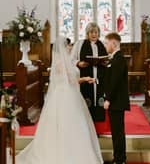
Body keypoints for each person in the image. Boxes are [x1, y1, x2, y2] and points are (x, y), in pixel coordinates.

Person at [15, 36, 103, 164]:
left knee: (75, 124)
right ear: (63, 47)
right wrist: (85, 79)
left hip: (71, 94)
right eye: (68, 45)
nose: (70, 47)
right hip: (64, 96)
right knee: (64, 124)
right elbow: (71, 80)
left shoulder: (67, 61)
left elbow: (71, 80)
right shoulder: (60, 64)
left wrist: (84, 78)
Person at [71, 22, 107, 122]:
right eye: (91, 32)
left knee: (98, 98)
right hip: (85, 77)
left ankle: (98, 122)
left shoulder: (102, 45)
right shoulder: (80, 44)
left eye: (96, 32)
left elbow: (107, 59)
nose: (94, 34)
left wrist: (104, 62)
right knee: (87, 98)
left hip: (99, 76)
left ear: (98, 33)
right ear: (87, 33)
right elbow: (71, 59)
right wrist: (79, 63)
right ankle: (86, 122)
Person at [103, 32, 130, 164]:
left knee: (118, 132)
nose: (105, 45)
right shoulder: (115, 58)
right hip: (116, 101)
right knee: (116, 132)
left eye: (107, 43)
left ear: (114, 44)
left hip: (116, 101)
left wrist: (108, 99)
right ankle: (118, 158)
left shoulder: (119, 59)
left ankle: (120, 159)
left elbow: (115, 82)